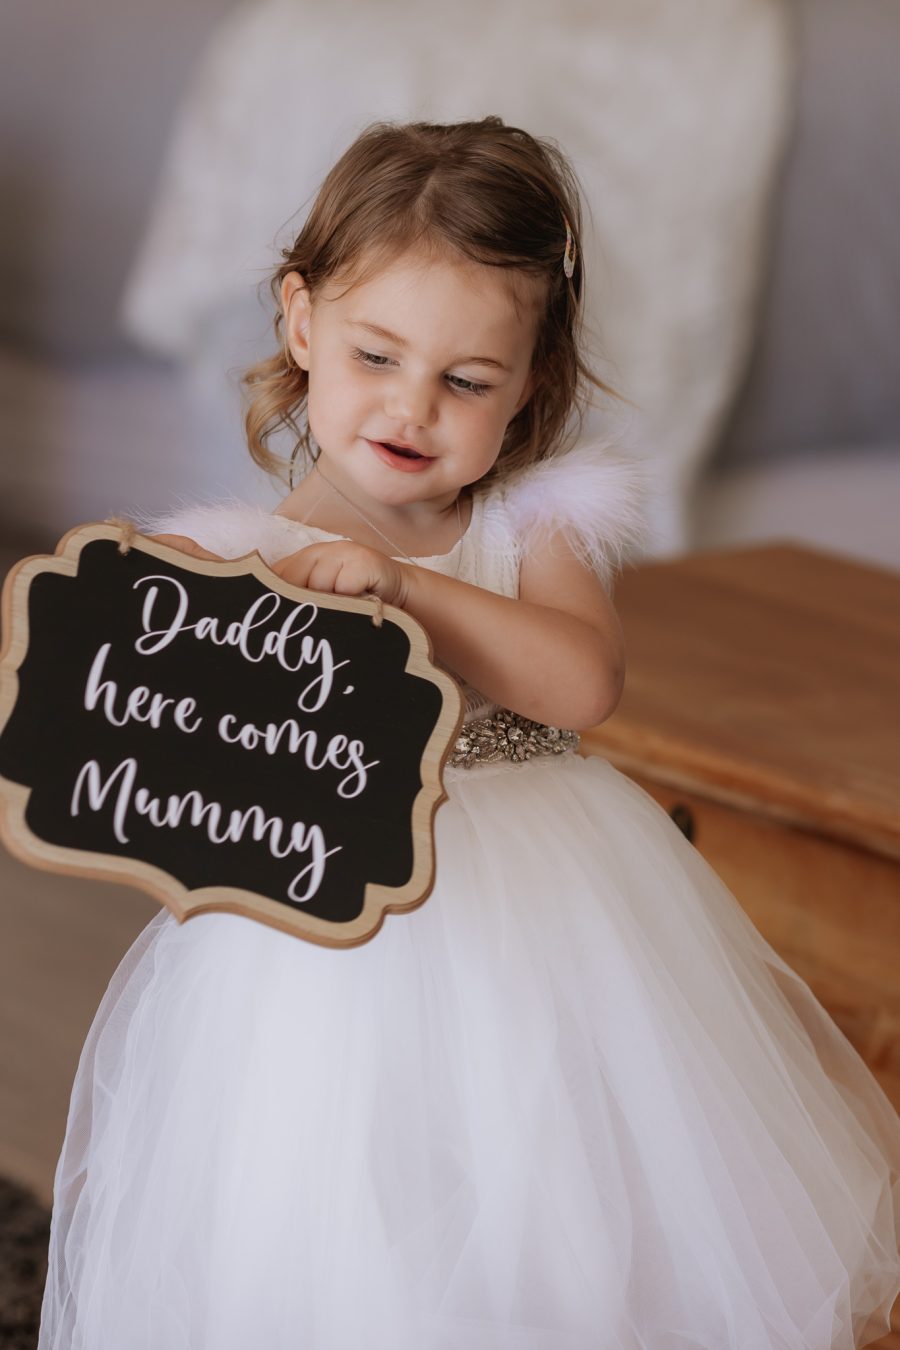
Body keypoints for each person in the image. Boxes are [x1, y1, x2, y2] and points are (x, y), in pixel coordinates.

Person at [39, 118, 899, 1350]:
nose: (412, 408)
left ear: (533, 383)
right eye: (376, 356)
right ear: (299, 324)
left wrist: (415, 589)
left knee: (556, 1193)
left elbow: (581, 683)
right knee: (347, 1203)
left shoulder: (530, 520)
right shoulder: (239, 560)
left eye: (467, 382)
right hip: (331, 956)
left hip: (550, 908)